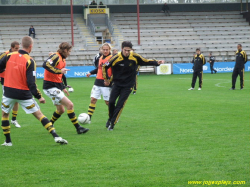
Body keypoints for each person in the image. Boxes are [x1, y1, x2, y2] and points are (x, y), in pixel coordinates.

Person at [0, 36, 67, 146]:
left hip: (8, 92)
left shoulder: (9, 56)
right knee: (39, 115)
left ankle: (8, 141)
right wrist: (39, 96)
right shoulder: (30, 60)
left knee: (5, 115)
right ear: (31, 46)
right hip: (23, 93)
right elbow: (31, 82)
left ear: (21, 45)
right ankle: (56, 136)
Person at [102, 41, 164, 131]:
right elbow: (104, 66)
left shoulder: (135, 56)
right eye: (125, 50)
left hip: (128, 85)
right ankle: (110, 118)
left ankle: (112, 123)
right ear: (122, 49)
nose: (127, 52)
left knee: (120, 104)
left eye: (129, 50)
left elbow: (145, 61)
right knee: (111, 102)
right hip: (117, 84)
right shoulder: (115, 58)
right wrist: (106, 79)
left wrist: (156, 63)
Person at [43, 42, 89, 134]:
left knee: (61, 110)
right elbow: (45, 64)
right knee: (70, 105)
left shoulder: (63, 60)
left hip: (55, 87)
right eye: (69, 51)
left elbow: (60, 75)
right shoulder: (56, 56)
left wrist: (63, 86)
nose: (69, 53)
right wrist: (59, 70)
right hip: (50, 87)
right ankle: (78, 128)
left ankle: (49, 124)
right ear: (64, 50)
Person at [86, 43, 113, 124]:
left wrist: (109, 80)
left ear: (109, 50)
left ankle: (112, 117)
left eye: (107, 49)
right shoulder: (100, 57)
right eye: (103, 49)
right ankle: (88, 118)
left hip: (106, 83)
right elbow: (99, 69)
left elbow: (114, 71)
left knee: (108, 102)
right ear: (101, 49)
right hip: (97, 81)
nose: (105, 51)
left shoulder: (112, 58)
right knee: (93, 99)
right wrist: (90, 73)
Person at [0, 41, 21, 128]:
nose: (17, 50)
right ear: (12, 48)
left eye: (18, 48)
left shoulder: (18, 55)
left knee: (16, 99)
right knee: (7, 100)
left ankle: (14, 119)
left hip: (14, 79)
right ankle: (5, 119)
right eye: (16, 48)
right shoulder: (5, 55)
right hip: (5, 80)